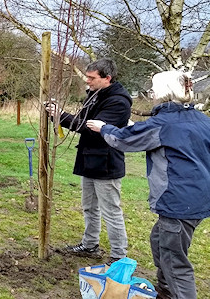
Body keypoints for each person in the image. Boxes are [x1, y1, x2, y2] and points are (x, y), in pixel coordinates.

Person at [87, 71, 210, 299]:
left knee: (175, 261)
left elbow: (123, 140)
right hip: (198, 198)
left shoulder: (163, 123)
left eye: (154, 89)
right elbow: (153, 134)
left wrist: (104, 128)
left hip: (178, 202)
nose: (151, 94)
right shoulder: (201, 120)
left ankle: (175, 292)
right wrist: (136, 127)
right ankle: (164, 291)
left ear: (164, 92)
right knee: (159, 240)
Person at [46, 59, 131, 264]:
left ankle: (119, 257)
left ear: (107, 78)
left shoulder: (118, 101)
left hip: (106, 164)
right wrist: (59, 116)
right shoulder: (95, 95)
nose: (88, 81)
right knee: (89, 207)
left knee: (111, 211)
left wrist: (61, 116)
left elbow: (91, 129)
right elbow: (81, 120)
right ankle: (90, 244)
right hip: (90, 160)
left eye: (92, 78)